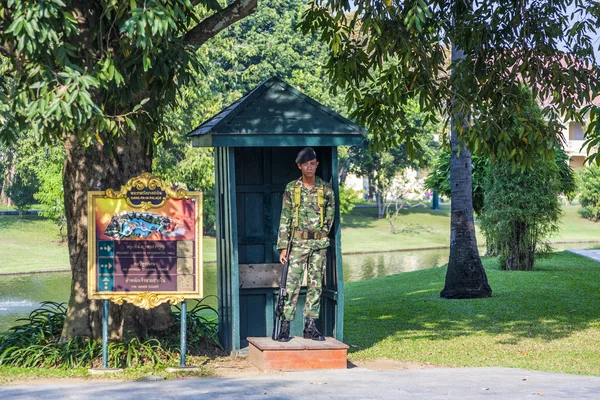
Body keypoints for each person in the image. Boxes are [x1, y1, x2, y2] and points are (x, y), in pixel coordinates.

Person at [275, 147, 335, 342]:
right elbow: (285, 217)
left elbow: (331, 216)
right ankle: (285, 325)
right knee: (291, 285)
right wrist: (284, 246)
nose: (309, 168)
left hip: (318, 244)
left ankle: (310, 325)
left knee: (315, 284)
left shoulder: (326, 189)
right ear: (299, 166)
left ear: (317, 164)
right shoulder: (292, 189)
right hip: (297, 243)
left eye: (312, 164)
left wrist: (322, 235)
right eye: (305, 165)